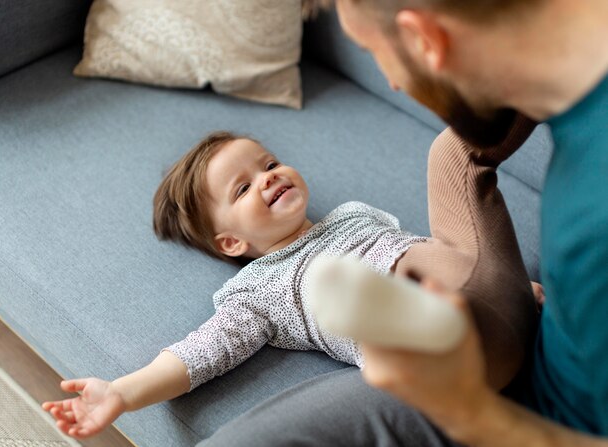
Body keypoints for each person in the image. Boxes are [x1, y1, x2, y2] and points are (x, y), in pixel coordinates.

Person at [200, 0, 608, 445]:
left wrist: (471, 413)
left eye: (375, 50)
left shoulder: (589, 229)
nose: (392, 81)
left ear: (423, 39)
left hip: (527, 410)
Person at [42, 128, 540, 440]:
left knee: (451, 151)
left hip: (490, 297)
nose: (268, 177)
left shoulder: (352, 214)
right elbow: (198, 353)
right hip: (441, 367)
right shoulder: (260, 289)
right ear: (231, 243)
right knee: (332, 285)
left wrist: (499, 284)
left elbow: (430, 248)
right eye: (243, 188)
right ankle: (434, 323)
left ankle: (559, 66)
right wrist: (122, 394)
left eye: (269, 163)